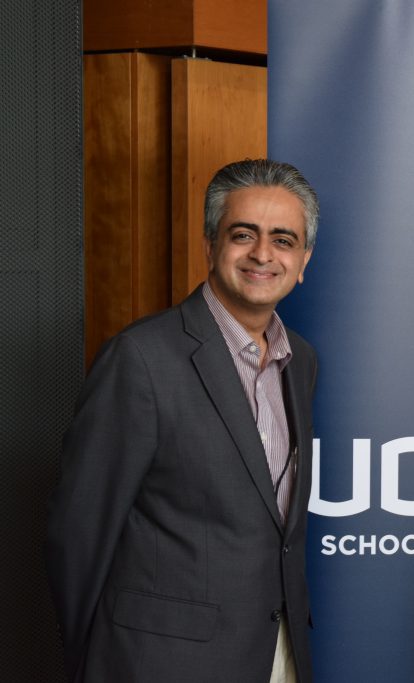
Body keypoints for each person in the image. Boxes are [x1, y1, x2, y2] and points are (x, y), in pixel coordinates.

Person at [46, 159, 320, 682]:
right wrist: (95, 662)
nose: (263, 254)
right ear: (210, 244)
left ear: (303, 260)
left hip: (277, 656)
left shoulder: (300, 361)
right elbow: (78, 534)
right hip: (158, 665)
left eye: (283, 240)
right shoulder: (141, 358)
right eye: (244, 234)